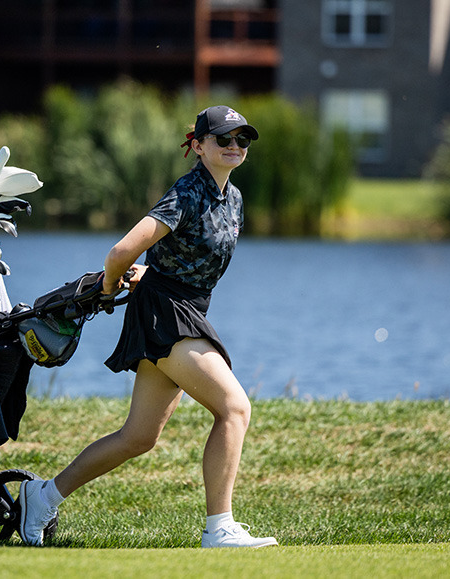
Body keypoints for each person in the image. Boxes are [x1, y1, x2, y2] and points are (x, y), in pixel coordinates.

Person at [17, 105, 277, 549]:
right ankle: (219, 528)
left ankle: (41, 496)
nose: (235, 147)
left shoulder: (232, 197)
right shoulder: (188, 192)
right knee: (234, 408)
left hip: (181, 306)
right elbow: (121, 251)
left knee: (139, 436)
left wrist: (151, 273)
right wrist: (113, 284)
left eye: (242, 140)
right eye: (224, 139)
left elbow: (183, 260)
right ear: (197, 145)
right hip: (165, 313)